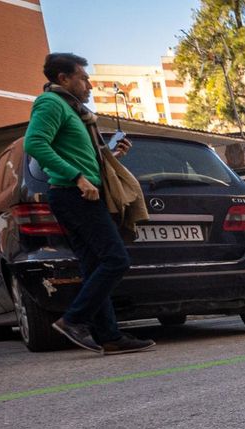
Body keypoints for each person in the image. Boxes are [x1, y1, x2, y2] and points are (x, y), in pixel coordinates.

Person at [23, 52, 154, 355]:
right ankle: (74, 319)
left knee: (95, 264)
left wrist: (111, 154)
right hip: (74, 193)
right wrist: (78, 177)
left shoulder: (74, 111)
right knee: (116, 259)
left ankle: (109, 335)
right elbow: (35, 143)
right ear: (63, 79)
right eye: (83, 77)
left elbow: (75, 153)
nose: (89, 84)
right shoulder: (51, 103)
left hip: (78, 192)